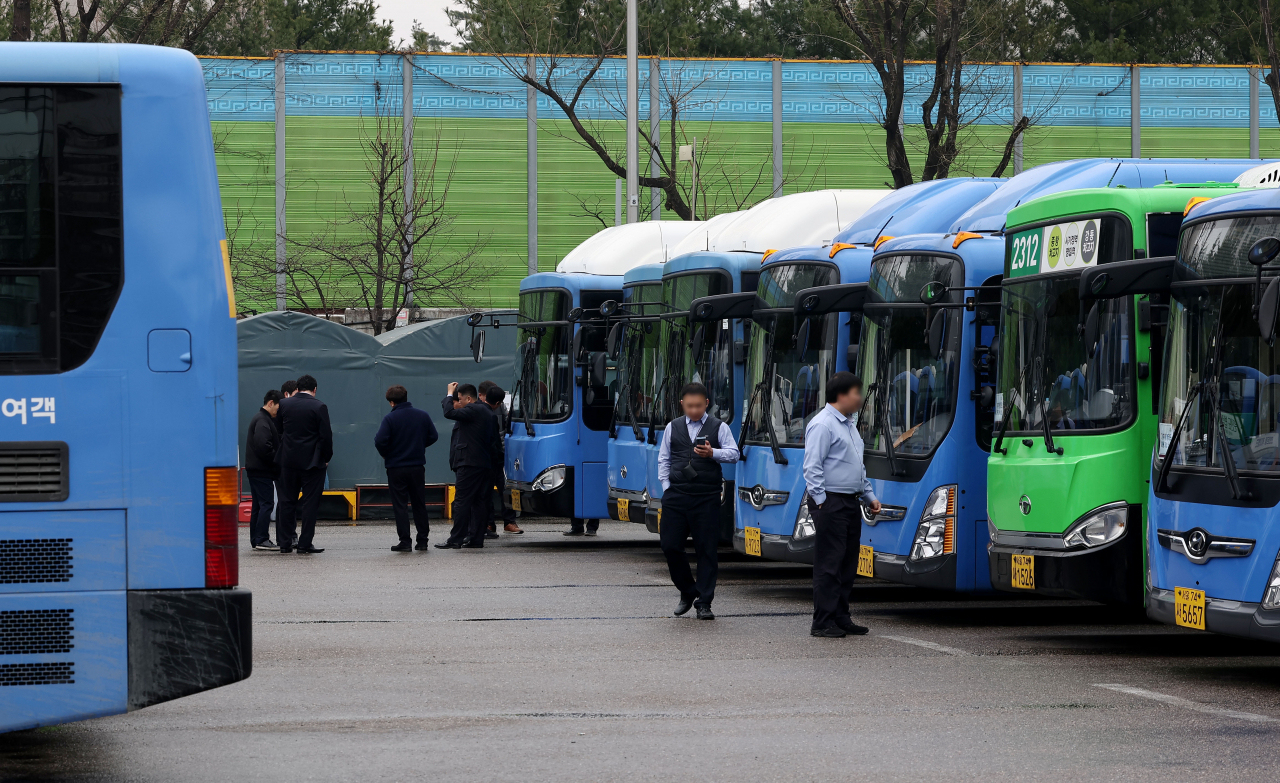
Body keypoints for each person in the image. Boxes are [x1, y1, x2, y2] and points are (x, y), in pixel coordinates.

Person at [802, 371, 882, 638]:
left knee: (847, 563)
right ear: (841, 395)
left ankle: (841, 616)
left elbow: (856, 467)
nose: (859, 399)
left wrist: (869, 495)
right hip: (831, 502)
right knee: (829, 563)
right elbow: (812, 467)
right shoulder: (823, 424)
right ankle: (822, 622)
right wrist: (822, 501)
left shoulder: (848, 425)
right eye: (855, 393)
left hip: (850, 501)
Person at [656, 382, 739, 620]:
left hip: (706, 498)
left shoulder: (719, 427)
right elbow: (664, 459)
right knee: (670, 546)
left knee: (706, 550)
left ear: (707, 404)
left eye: (698, 406)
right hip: (676, 496)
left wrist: (713, 453)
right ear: (682, 404)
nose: (694, 411)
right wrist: (666, 488)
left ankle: (704, 602)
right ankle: (687, 590)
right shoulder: (672, 427)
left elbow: (735, 454)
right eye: (689, 406)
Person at [374, 384, 439, 552]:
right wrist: (419, 446)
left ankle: (405, 541)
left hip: (396, 467)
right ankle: (422, 540)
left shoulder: (390, 419)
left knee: (400, 505)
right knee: (419, 503)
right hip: (417, 466)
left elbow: (380, 440)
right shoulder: (422, 415)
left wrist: (387, 454)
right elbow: (433, 436)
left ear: (391, 402)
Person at [275, 374, 333, 554]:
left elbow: (279, 430)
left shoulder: (284, 404)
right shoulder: (319, 406)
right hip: (313, 462)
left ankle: (285, 543)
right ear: (315, 389)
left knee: (286, 501)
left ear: (297, 388)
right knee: (310, 504)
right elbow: (326, 436)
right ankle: (304, 543)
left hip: (288, 461)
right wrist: (326, 457)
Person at [437, 382, 497, 549]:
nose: (459, 403)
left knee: (462, 501)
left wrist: (449, 394)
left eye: (460, 399)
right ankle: (476, 539)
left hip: (469, 463)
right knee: (479, 502)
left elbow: (449, 412)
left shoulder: (473, 409)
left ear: (469, 398)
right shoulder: (487, 411)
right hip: (483, 463)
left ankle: (455, 539)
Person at [480, 382, 522, 536]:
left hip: (500, 455)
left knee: (505, 489)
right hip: (491, 456)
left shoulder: (501, 408)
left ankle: (508, 522)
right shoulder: (482, 409)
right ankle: (491, 523)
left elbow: (505, 429)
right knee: (488, 491)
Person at [245, 389, 282, 551]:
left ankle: (256, 539)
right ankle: (261, 538)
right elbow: (263, 446)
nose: (278, 413)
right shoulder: (263, 421)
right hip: (262, 470)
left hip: (255, 469)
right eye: (278, 408)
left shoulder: (260, 419)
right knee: (267, 503)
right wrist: (277, 458)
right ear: (270, 403)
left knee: (258, 505)